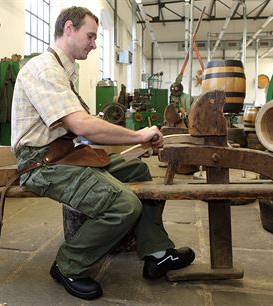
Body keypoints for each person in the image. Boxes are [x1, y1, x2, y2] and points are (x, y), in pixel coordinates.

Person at [11, 6, 195, 301]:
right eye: (91, 36)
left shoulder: (63, 70)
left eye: (96, 37)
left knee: (138, 172)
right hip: (41, 164)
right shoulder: (43, 69)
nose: (95, 44)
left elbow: (84, 128)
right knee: (124, 205)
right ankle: (67, 265)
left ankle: (156, 253)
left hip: (64, 154)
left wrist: (129, 141)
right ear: (69, 29)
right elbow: (81, 125)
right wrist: (137, 135)